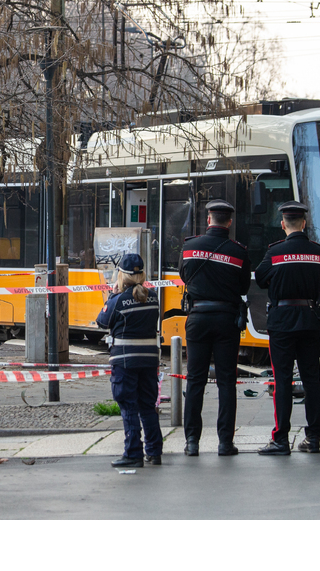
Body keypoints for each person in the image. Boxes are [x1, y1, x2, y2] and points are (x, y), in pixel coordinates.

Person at [254, 201, 320, 455]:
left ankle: (281, 439)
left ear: (283, 224)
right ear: (304, 224)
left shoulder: (275, 252)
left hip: (282, 322)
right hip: (309, 320)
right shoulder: (318, 252)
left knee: (282, 380)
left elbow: (261, 278)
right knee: (312, 380)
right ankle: (314, 437)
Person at [179, 199, 251, 456]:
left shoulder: (190, 247)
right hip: (226, 319)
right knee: (226, 382)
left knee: (195, 380)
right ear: (229, 222)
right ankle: (224, 443)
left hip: (197, 317)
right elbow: (244, 287)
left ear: (209, 220)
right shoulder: (239, 251)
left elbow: (184, 276)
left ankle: (191, 442)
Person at [96, 253, 163, 467]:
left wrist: (112, 296)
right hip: (150, 360)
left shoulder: (117, 301)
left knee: (129, 407)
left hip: (125, 361)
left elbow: (102, 322)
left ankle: (133, 453)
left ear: (121, 276)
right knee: (148, 406)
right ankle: (154, 452)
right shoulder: (154, 298)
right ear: (142, 274)